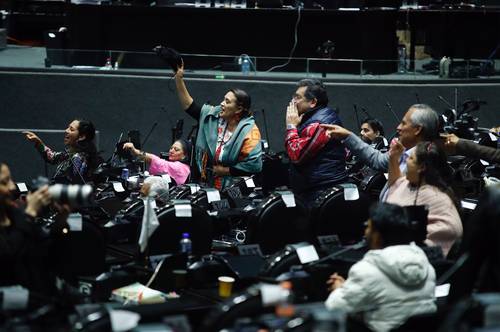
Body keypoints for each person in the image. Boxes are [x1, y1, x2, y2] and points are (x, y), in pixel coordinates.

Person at [325, 202, 436, 332]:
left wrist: (339, 289)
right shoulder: (427, 267)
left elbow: (334, 307)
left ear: (377, 236)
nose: (365, 231)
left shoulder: (366, 271)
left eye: (368, 227)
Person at [174, 63, 262, 189]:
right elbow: (189, 106)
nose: (221, 104)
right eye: (223, 99)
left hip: (236, 187)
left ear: (239, 109)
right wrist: (179, 79)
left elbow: (254, 166)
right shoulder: (214, 116)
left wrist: (226, 171)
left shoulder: (249, 131)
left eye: (227, 102)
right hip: (208, 182)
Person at [386, 139, 462, 256]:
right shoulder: (410, 183)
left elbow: (453, 229)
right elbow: (396, 182)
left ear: (421, 167)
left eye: (410, 158)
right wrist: (393, 158)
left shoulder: (439, 198)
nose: (406, 160)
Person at [284, 79, 347, 207]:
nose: (292, 102)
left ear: (312, 102)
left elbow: (297, 156)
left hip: (321, 191)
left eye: (297, 98)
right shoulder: (312, 118)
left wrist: (291, 126)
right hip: (315, 188)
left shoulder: (320, 123)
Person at [24, 119, 100, 184]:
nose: (66, 130)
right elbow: (53, 158)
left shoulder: (79, 158)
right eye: (68, 127)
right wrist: (38, 142)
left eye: (71, 129)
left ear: (82, 136)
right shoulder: (71, 152)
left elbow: (72, 185)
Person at [123, 139, 191, 185]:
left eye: (176, 150)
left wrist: (135, 151)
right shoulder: (184, 167)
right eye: (171, 148)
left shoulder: (180, 167)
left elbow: (156, 161)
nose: (171, 151)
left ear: (184, 156)